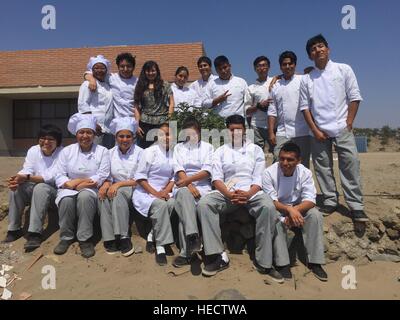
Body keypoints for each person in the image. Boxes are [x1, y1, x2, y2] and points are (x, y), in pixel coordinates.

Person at [196, 115, 284, 282]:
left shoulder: (255, 150)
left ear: (245, 130)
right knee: (205, 204)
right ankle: (218, 256)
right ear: (226, 131)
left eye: (239, 129)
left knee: (268, 207)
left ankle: (264, 261)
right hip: (227, 193)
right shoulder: (220, 151)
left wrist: (248, 194)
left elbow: (259, 178)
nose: (235, 132)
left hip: (252, 193)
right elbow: (217, 179)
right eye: (231, 130)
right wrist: (229, 194)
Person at [299, 34, 368, 222]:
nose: (318, 50)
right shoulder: (307, 78)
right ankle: (330, 200)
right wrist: (315, 130)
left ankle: (356, 205)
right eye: (313, 49)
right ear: (310, 55)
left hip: (342, 127)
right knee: (322, 167)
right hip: (318, 130)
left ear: (328, 49)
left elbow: (354, 96)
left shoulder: (343, 69)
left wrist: (349, 122)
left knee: (350, 164)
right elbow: (305, 107)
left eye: (321, 46)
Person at [262, 142, 327, 281]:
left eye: (290, 159)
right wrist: (288, 210)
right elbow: (272, 201)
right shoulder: (269, 173)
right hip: (278, 208)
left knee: (315, 215)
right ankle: (282, 264)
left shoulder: (305, 172)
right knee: (275, 220)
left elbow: (310, 200)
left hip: (298, 208)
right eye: (282, 158)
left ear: (298, 161)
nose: (285, 163)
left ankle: (315, 262)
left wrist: (294, 211)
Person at [53, 113, 110, 258]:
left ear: (94, 135)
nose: (85, 136)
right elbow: (59, 173)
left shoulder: (102, 151)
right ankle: (66, 237)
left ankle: (85, 239)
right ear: (76, 134)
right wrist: (70, 184)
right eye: (81, 132)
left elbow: (102, 174)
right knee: (65, 200)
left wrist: (79, 183)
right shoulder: (67, 151)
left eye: (89, 132)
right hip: (68, 188)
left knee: (84, 197)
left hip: (90, 188)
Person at [3, 125, 63, 252]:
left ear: (57, 142)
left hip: (55, 194)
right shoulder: (33, 150)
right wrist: (18, 178)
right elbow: (27, 169)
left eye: (50, 139)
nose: (46, 142)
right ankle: (14, 229)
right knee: (17, 187)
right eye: (42, 138)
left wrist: (27, 177)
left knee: (41, 187)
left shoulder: (63, 153)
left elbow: (50, 177)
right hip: (35, 190)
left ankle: (35, 233)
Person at [172, 116, 214, 267]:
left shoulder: (208, 147)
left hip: (203, 186)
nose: (191, 137)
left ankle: (186, 253)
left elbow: (207, 171)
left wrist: (190, 183)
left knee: (185, 212)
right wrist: (189, 185)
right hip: (183, 186)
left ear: (200, 133)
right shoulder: (178, 148)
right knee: (184, 196)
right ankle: (193, 237)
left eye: (194, 134)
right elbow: (179, 169)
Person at [98, 117, 143, 257]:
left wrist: (118, 184)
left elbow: (141, 179)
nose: (125, 139)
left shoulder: (142, 153)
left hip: (136, 189)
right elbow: (106, 173)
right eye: (121, 136)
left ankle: (124, 237)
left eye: (128, 136)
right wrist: (106, 184)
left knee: (118, 193)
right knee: (102, 196)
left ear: (133, 137)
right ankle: (109, 238)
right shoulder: (109, 153)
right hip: (115, 187)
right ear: (116, 137)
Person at [132, 123, 175, 265]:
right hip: (146, 191)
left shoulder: (175, 153)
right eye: (162, 134)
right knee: (161, 205)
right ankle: (161, 246)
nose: (166, 137)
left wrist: (165, 191)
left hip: (165, 191)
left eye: (168, 134)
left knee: (173, 203)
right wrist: (156, 194)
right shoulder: (150, 152)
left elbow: (174, 177)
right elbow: (140, 177)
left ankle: (152, 235)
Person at [268, 51, 311, 168]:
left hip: (302, 131)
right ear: (280, 66)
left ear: (295, 65)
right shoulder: (275, 86)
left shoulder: (303, 80)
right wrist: (271, 132)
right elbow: (272, 111)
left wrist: (277, 76)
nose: (287, 67)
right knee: (278, 160)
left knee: (302, 164)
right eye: (284, 64)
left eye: (290, 64)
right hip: (282, 131)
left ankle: (301, 187)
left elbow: (312, 70)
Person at [84, 52, 140, 120]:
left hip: (133, 120)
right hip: (116, 122)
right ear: (118, 67)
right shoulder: (111, 78)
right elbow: (90, 73)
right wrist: (92, 80)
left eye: (128, 66)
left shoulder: (138, 82)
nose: (125, 69)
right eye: (122, 66)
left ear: (133, 67)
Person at [134, 61, 174, 149]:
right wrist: (136, 124)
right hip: (145, 124)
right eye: (148, 71)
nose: (151, 73)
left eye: (153, 71)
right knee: (145, 149)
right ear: (144, 72)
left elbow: (171, 103)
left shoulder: (165, 85)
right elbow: (136, 106)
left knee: (163, 148)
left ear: (157, 71)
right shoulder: (140, 86)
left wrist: (168, 120)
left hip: (162, 123)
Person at [78, 55, 114, 149]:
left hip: (108, 129)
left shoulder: (108, 85)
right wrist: (93, 123)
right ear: (92, 70)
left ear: (106, 70)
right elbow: (83, 105)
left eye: (102, 68)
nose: (99, 70)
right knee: (94, 155)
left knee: (107, 156)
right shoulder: (87, 84)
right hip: (95, 129)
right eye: (96, 68)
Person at [247, 56, 274, 152]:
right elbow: (247, 110)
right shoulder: (251, 88)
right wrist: (258, 105)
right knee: (257, 154)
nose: (262, 68)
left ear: (269, 67)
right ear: (255, 69)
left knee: (276, 153)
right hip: (256, 125)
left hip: (274, 124)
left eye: (264, 65)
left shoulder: (276, 82)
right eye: (258, 66)